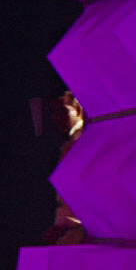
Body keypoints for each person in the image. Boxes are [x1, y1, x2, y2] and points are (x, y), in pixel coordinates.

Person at [40, 90, 90, 246]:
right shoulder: (66, 146)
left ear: (78, 110)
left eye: (62, 111)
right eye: (54, 113)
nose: (57, 118)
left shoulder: (86, 144)